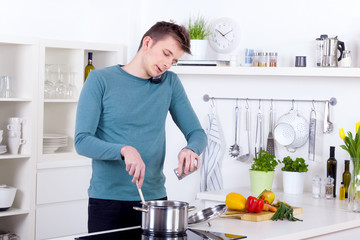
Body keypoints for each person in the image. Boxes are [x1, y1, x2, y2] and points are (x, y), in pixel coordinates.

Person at [74, 21, 207, 233]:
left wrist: (191, 149)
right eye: (165, 53)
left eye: (173, 60)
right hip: (107, 203)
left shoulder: (169, 83)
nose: (167, 64)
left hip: (155, 203)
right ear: (147, 42)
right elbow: (82, 142)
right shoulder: (100, 80)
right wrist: (124, 150)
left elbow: (197, 133)